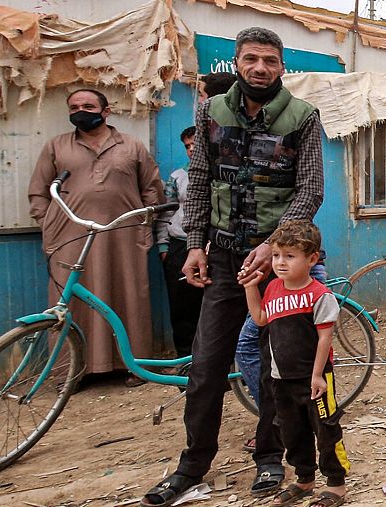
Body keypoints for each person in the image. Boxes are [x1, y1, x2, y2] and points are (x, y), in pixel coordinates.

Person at [140, 27, 325, 507]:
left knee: (276, 366)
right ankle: (193, 463)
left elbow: (309, 190)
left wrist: (274, 245)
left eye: (269, 60)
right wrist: (196, 243)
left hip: (281, 264)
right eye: (251, 59)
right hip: (223, 259)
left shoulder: (303, 117)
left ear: (282, 67)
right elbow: (200, 178)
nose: (260, 67)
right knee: (206, 365)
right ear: (237, 64)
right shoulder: (211, 113)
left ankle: (269, 459)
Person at [28, 89, 163, 386]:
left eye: (88, 105)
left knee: (129, 295)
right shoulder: (56, 146)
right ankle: (71, 372)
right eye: (74, 106)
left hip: (123, 236)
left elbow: (152, 189)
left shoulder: (132, 146)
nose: (80, 110)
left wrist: (142, 228)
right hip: (71, 238)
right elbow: (38, 192)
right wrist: (50, 225)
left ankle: (135, 366)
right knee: (70, 301)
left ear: (106, 111)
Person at [241, 221, 350, 507]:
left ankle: (336, 484)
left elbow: (325, 338)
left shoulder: (319, 295)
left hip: (314, 380)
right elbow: (261, 319)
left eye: (290, 256)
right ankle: (304, 479)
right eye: (277, 255)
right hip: (281, 379)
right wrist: (251, 288)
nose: (280, 263)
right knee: (292, 431)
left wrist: (317, 376)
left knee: (326, 430)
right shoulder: (274, 288)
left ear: (311, 259)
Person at [155, 126, 205, 358]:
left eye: (196, 143)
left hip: (211, 246)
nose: (192, 149)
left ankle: (228, 367)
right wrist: (164, 247)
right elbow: (166, 212)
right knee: (183, 309)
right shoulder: (177, 177)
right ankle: (187, 363)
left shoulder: (221, 173)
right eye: (187, 146)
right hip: (179, 246)